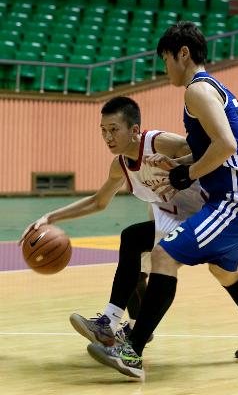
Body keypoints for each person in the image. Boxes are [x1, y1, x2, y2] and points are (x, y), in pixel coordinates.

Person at [86, 22, 238, 381]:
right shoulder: (214, 89)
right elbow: (220, 146)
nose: (164, 68)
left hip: (235, 198)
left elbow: (227, 147)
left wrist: (188, 174)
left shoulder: (196, 91)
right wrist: (181, 165)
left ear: (183, 53)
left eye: (166, 59)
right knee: (224, 270)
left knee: (163, 256)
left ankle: (133, 351)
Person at [19, 95, 205, 344]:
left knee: (131, 239)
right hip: (170, 220)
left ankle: (108, 321)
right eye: (103, 130)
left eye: (114, 129)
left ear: (134, 129)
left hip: (204, 215)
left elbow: (208, 153)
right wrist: (50, 216)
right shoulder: (121, 165)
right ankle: (139, 328)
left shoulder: (161, 143)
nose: (108, 137)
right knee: (135, 272)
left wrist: (180, 164)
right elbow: (98, 201)